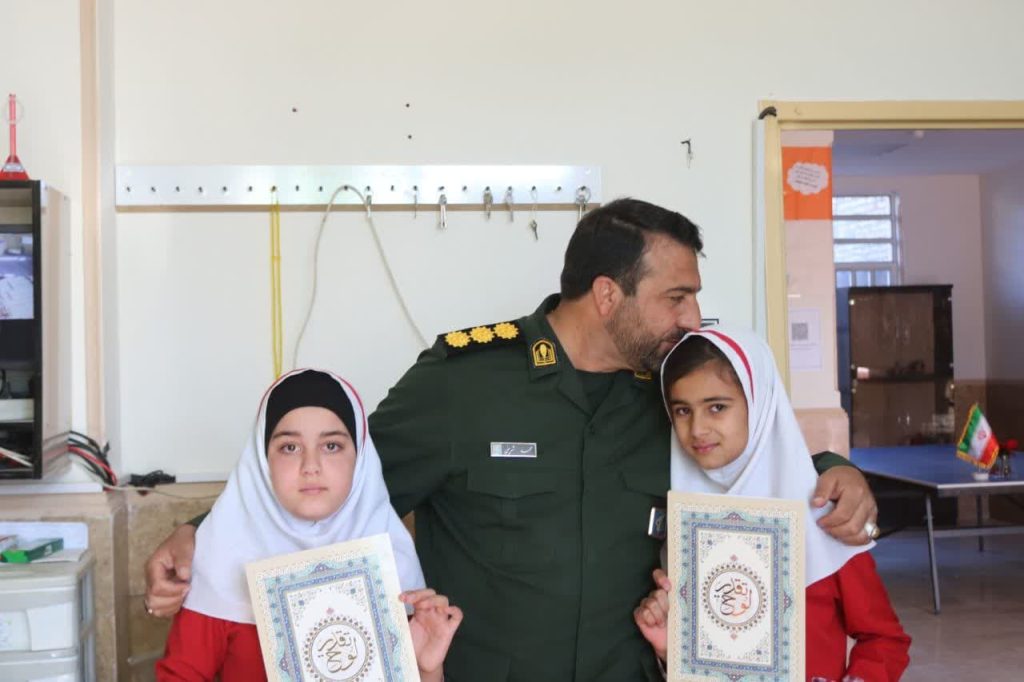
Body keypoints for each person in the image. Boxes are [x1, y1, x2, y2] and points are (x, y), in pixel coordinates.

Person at [146, 199, 878, 682]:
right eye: (676, 297)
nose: (692, 318)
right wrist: (197, 531)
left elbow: (747, 457)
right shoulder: (463, 383)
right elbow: (337, 480)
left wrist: (833, 467)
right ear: (608, 295)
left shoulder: (665, 394)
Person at [634, 328, 910, 681]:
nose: (697, 428)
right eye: (683, 410)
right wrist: (669, 650)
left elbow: (884, 639)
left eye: (717, 407)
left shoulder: (825, 516)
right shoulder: (684, 523)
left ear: (760, 403)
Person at [155, 369, 462, 682]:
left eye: (332, 446)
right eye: (290, 447)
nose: (310, 466)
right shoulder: (221, 559)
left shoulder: (391, 567)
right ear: (262, 459)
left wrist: (427, 670)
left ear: (360, 458)